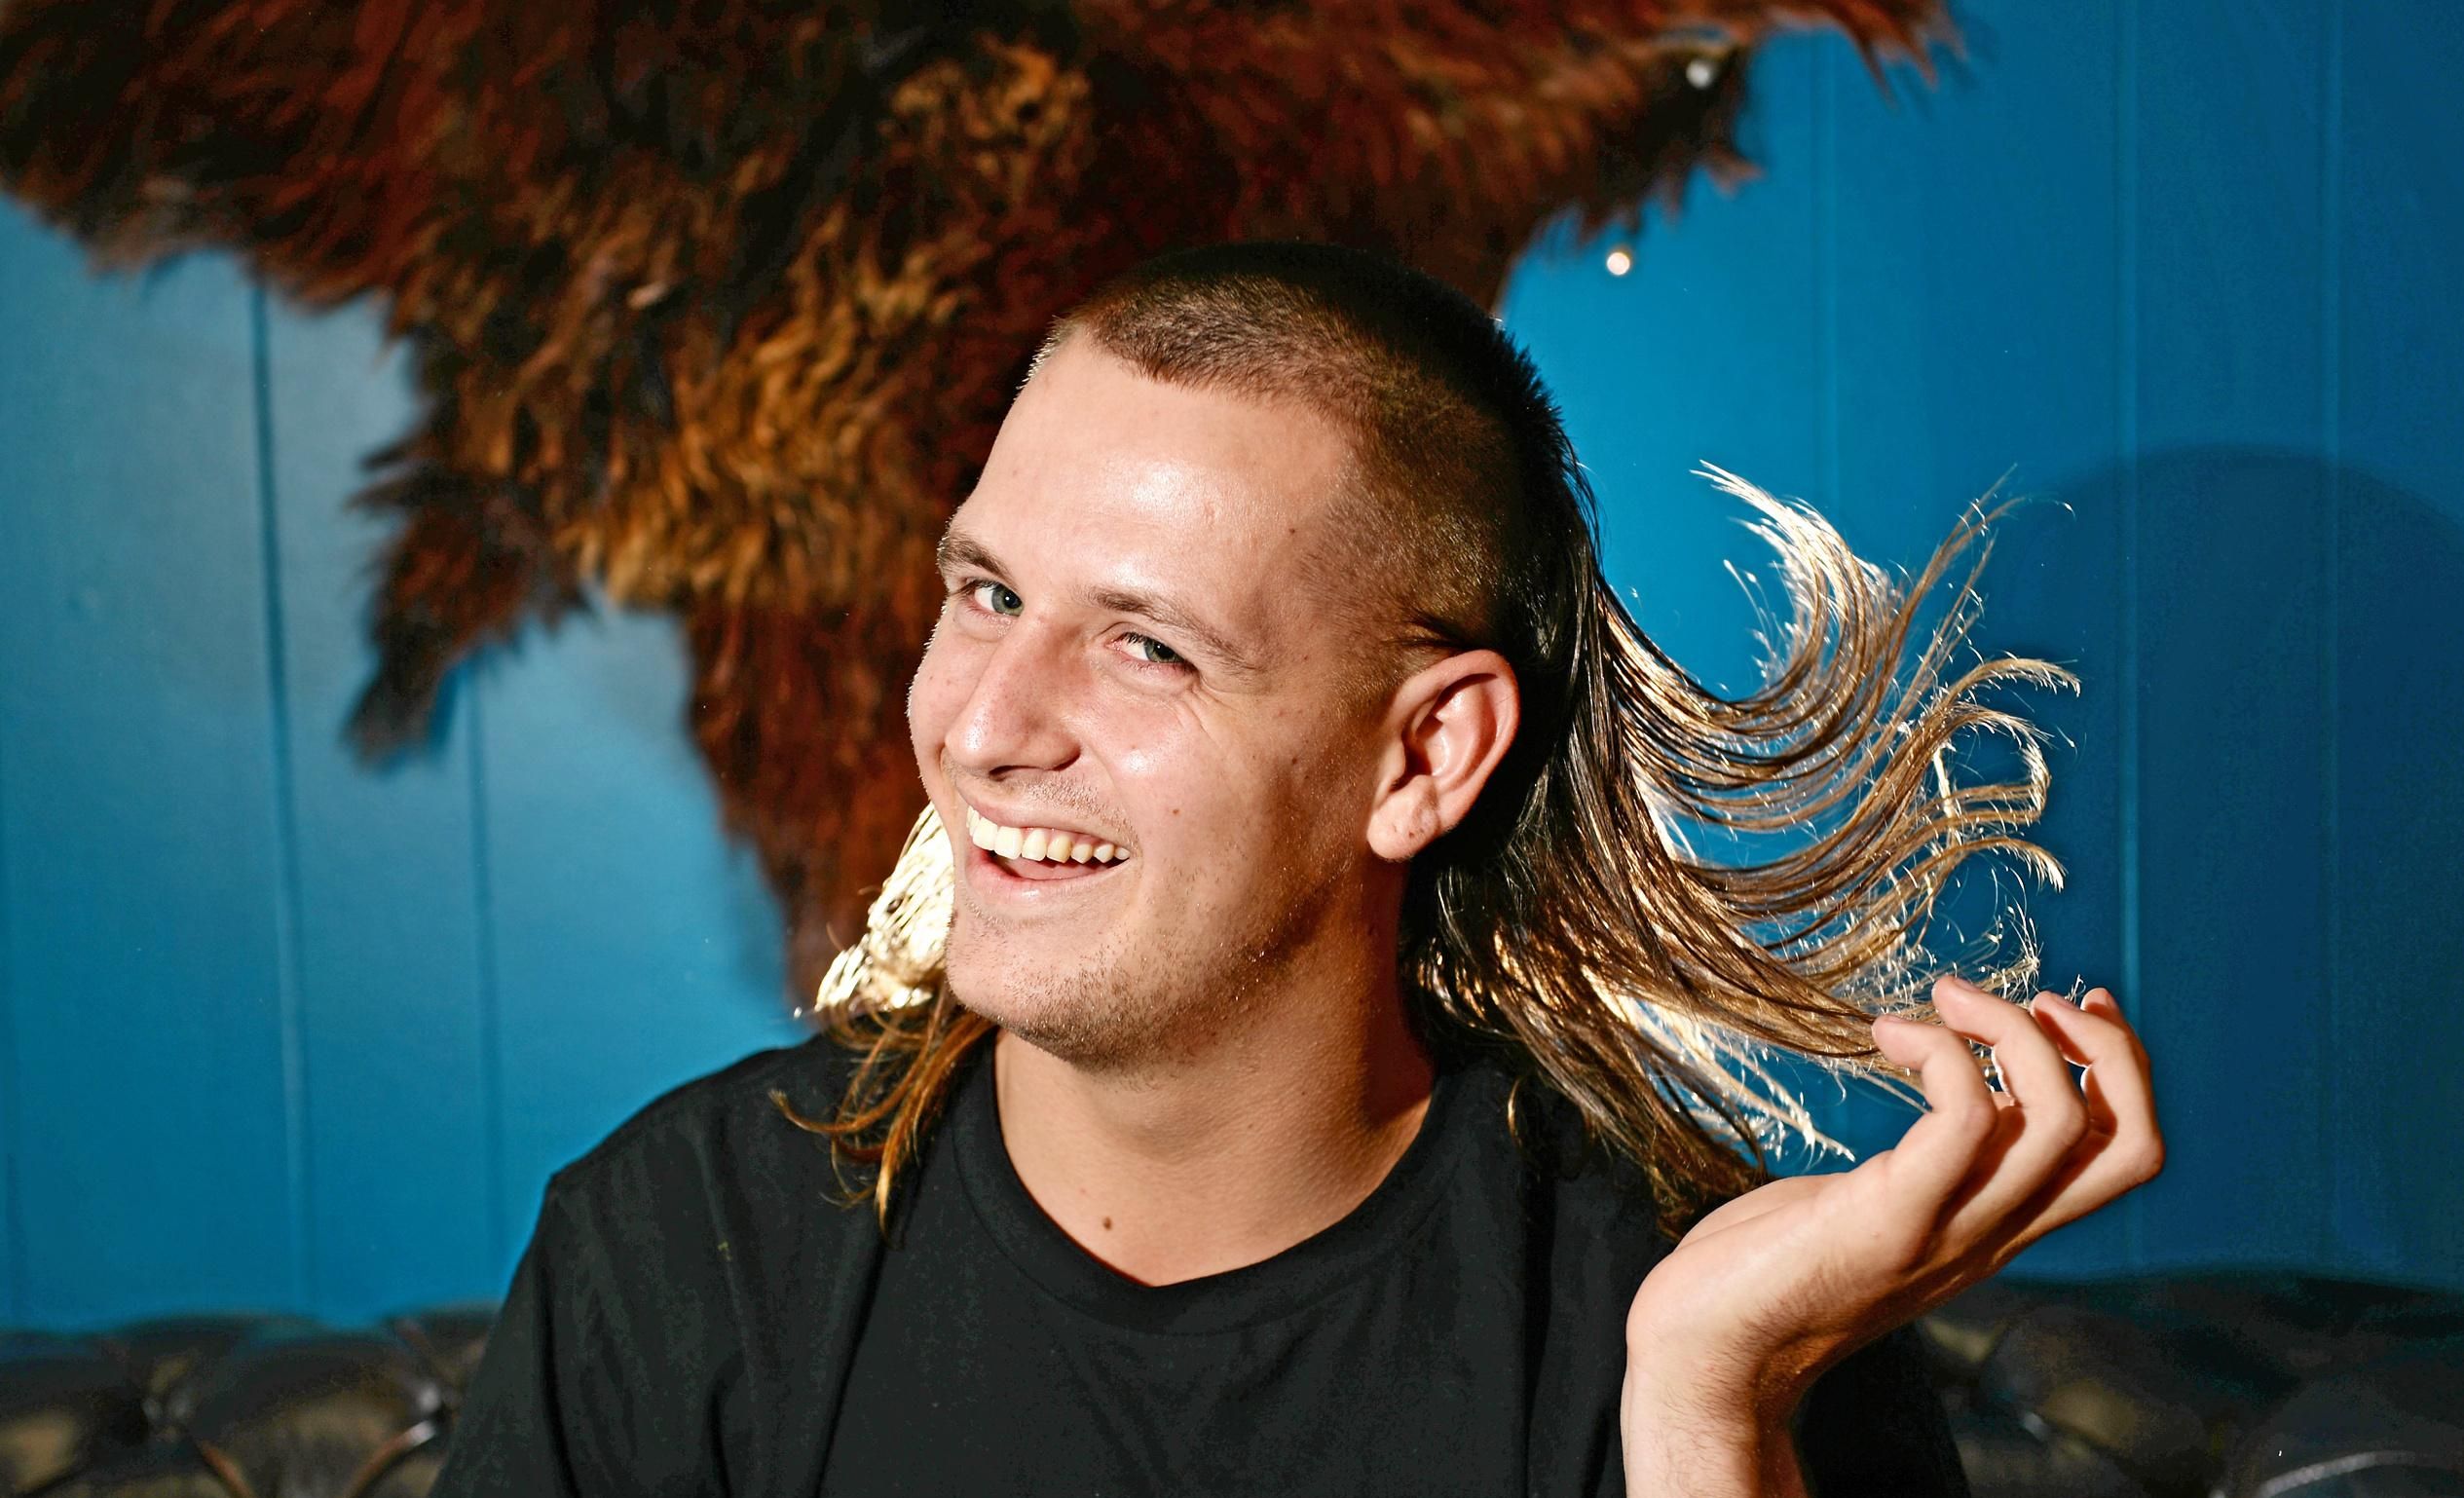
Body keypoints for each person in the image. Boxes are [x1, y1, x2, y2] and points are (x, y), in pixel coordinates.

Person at [429, 241, 2162, 1497]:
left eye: (1148, 649)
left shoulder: (1705, 1318)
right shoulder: (679, 1252)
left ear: (1423, 756)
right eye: (987, 594)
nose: (984, 726)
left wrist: (1712, 1406)